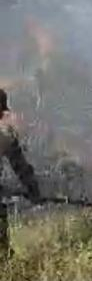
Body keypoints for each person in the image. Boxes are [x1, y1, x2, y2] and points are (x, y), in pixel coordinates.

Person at [0, 88, 41, 259]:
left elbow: (21, 167)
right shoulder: (5, 136)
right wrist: (33, 190)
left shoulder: (5, 136)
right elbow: (21, 167)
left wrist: (32, 189)